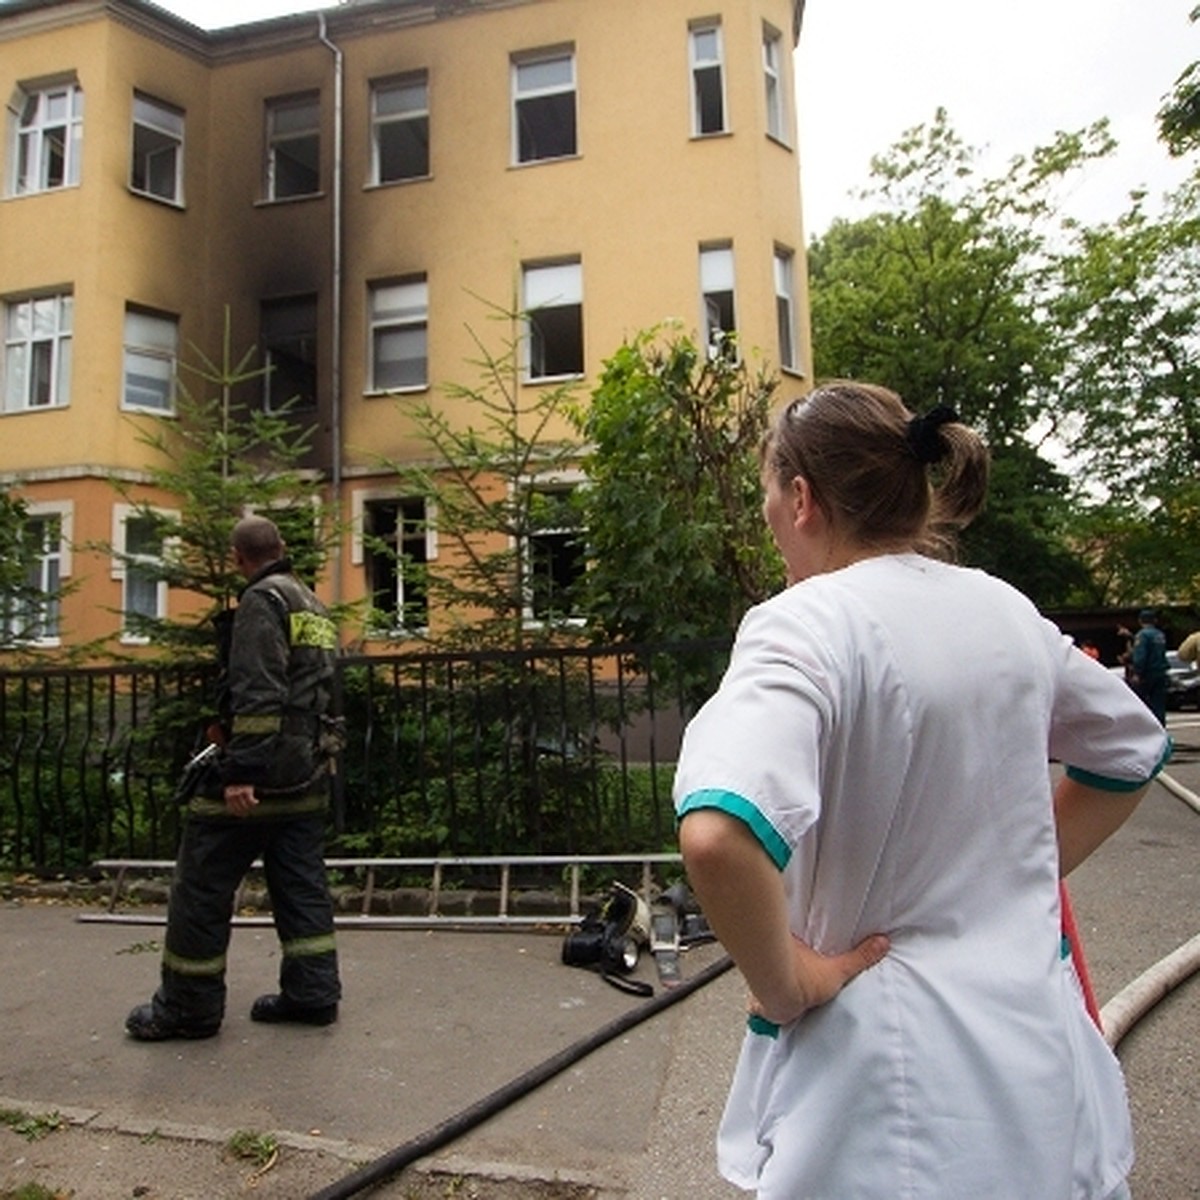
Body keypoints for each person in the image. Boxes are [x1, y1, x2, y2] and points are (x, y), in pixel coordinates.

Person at [673, 382, 1171, 1199]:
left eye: (767, 495)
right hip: (1038, 1072)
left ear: (801, 500)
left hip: (883, 1103)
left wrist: (789, 983)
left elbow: (718, 832)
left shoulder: (803, 624)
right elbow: (1130, 749)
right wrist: (1019, 879)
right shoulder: (1005, 611)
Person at [126, 515, 342, 1040]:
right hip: (308, 771)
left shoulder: (261, 603)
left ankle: (188, 1007)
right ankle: (313, 995)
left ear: (237, 558)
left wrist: (240, 771)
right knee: (300, 885)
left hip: (259, 775)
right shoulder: (311, 604)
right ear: (283, 546)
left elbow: (259, 692)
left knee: (201, 885)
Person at [1129, 607, 1169, 725]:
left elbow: (1141, 656)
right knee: (1159, 703)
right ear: (1154, 621)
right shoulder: (1160, 635)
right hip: (1161, 672)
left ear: (1140, 621)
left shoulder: (1142, 635)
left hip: (1147, 673)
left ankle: (1148, 728)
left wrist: (1137, 672)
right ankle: (1161, 727)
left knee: (1144, 703)